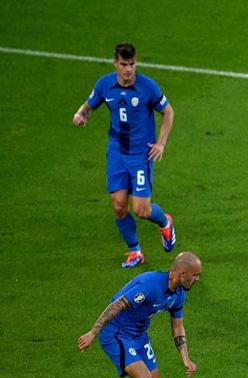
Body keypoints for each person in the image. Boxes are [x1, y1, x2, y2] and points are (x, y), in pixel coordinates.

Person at [77, 252, 202, 378]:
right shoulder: (150, 285)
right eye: (195, 275)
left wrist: (185, 358)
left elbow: (178, 327)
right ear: (182, 273)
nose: (197, 279)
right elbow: (117, 305)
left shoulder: (179, 294)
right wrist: (93, 332)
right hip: (116, 333)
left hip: (138, 336)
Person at [73, 42, 176, 267]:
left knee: (141, 210)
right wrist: (82, 115)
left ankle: (165, 222)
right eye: (124, 64)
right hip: (117, 152)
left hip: (140, 155)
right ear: (115, 63)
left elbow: (168, 112)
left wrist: (161, 143)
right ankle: (135, 251)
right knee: (119, 205)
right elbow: (89, 106)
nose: (128, 69)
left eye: (132, 64)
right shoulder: (105, 84)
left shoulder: (148, 87)